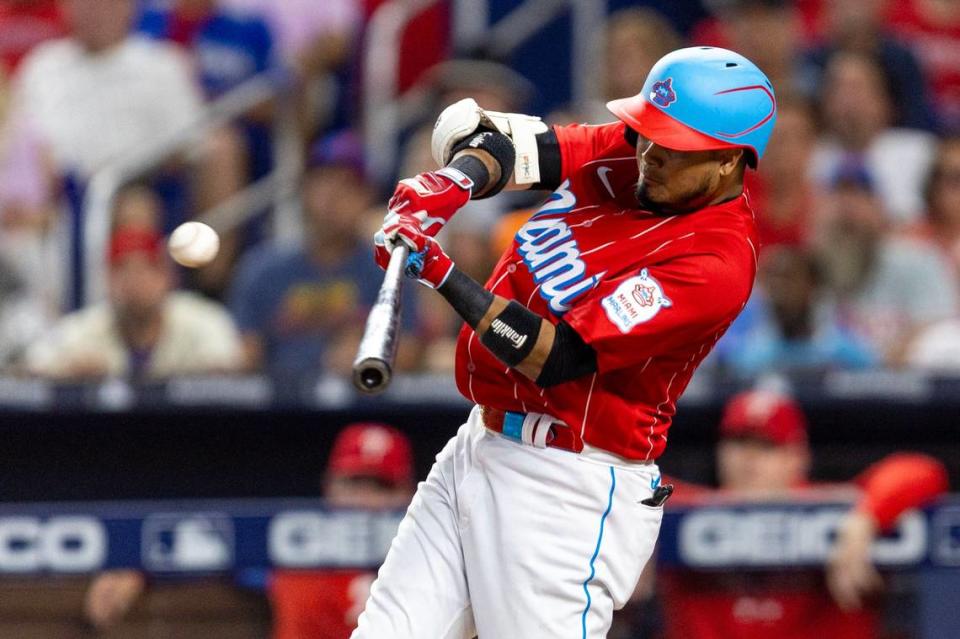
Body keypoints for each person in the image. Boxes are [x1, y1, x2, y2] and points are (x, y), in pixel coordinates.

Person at [356, 46, 778, 637]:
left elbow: (554, 357)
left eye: (673, 146)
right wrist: (449, 185)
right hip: (480, 443)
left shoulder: (715, 262)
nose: (649, 155)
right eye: (646, 135)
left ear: (731, 160)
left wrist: (441, 272)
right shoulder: (637, 153)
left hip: (568, 488)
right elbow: (511, 149)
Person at [653, 389, 949, 639]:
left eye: (767, 445)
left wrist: (866, 520)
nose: (748, 457)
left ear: (798, 456)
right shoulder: (687, 508)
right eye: (738, 441)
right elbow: (624, 487)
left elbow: (922, 471)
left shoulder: (835, 507)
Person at [229, 130, 417, 377]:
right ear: (304, 192)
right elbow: (243, 353)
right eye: (322, 183)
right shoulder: (263, 268)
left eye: (347, 186)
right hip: (278, 406)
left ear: (367, 197)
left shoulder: (389, 270)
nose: (333, 198)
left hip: (365, 402)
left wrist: (370, 354)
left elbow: (413, 349)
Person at [24, 226, 242, 379]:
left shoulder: (203, 320)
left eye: (146, 269)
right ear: (107, 280)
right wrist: (67, 374)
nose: (134, 280)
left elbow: (230, 365)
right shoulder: (84, 327)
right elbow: (31, 369)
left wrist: (204, 375)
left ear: (167, 277)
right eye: (122, 269)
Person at [269, 422, 416, 639]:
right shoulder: (298, 562)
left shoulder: (430, 560)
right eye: (354, 484)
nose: (366, 499)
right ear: (330, 487)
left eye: (382, 486)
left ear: (410, 493)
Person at [713, 245, 878, 376]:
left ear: (811, 285)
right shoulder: (744, 340)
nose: (779, 288)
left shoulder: (839, 340)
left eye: (789, 278)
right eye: (773, 279)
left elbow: (870, 367)